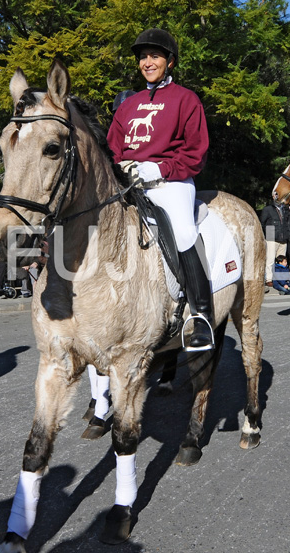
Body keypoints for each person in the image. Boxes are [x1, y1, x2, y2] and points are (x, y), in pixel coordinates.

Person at [107, 28, 214, 350]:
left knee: (182, 232)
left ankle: (202, 316)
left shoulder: (186, 99)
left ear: (170, 62)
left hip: (171, 182)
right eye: (143, 57)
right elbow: (112, 147)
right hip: (131, 184)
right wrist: (117, 168)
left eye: (154, 56)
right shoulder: (129, 105)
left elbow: (197, 152)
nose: (147, 62)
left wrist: (161, 168)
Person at [259, 198, 290, 288]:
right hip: (272, 238)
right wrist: (268, 234)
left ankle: (280, 278)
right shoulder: (268, 209)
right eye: (276, 197)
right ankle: (269, 279)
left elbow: (287, 223)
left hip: (283, 238)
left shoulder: (285, 209)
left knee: (281, 260)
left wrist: (288, 236)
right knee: (270, 260)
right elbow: (262, 223)